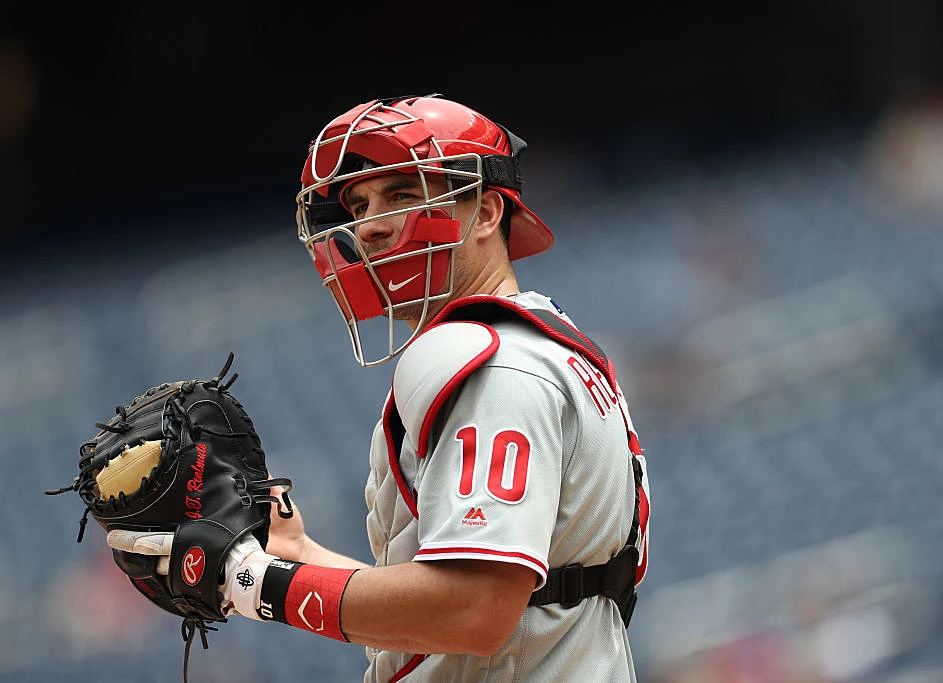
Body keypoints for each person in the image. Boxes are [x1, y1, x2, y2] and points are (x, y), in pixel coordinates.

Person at [114, 93, 652, 682]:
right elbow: (456, 619)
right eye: (357, 204)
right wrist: (300, 559)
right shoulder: (532, 342)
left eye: (402, 193)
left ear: (489, 212)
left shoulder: (489, 364)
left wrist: (255, 584)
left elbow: (475, 610)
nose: (368, 226)